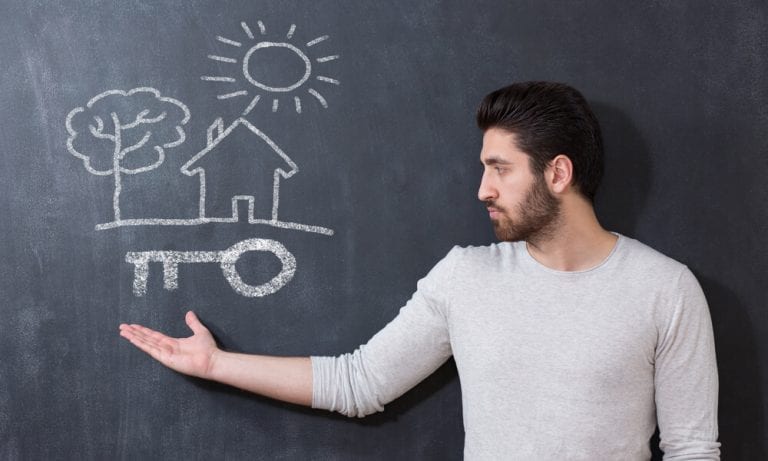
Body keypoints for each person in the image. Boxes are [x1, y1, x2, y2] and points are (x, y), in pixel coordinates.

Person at [119, 81, 720, 460]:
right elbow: (360, 382)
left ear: (557, 174)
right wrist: (215, 363)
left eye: (500, 168)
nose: (482, 188)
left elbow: (693, 449)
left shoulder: (665, 289)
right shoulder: (467, 277)